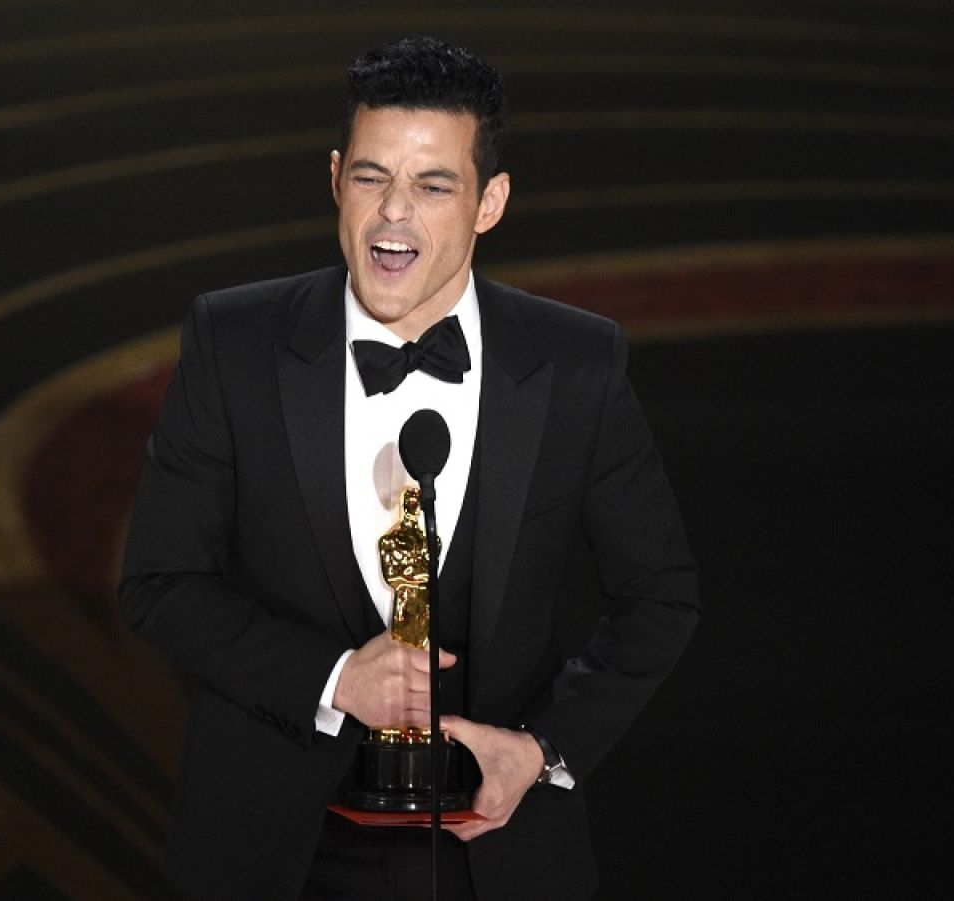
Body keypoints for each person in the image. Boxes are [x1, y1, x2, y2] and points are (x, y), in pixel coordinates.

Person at [120, 35, 699, 900]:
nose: (394, 214)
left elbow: (660, 596)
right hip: (276, 849)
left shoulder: (575, 363)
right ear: (334, 180)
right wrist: (332, 679)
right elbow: (161, 581)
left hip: (496, 853)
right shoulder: (233, 343)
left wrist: (542, 749)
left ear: (489, 201)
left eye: (433, 186)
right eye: (371, 177)